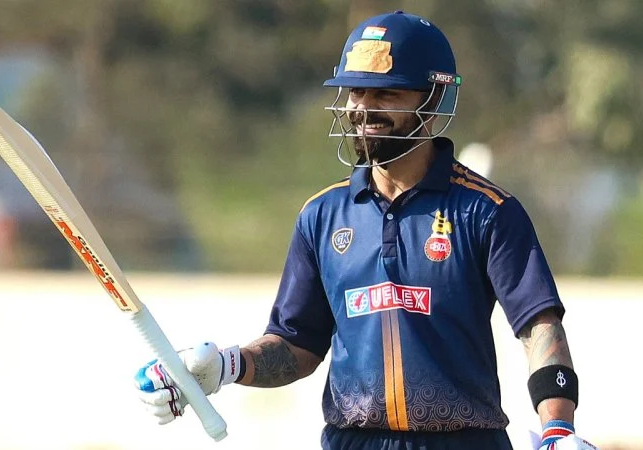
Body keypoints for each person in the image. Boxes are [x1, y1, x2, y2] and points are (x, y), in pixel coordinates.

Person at [134, 11, 597, 450]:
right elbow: (297, 344)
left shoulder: (487, 210)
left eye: (386, 94)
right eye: (356, 92)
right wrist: (223, 366)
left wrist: (557, 429)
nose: (363, 109)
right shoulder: (322, 216)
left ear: (432, 100)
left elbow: (539, 327)